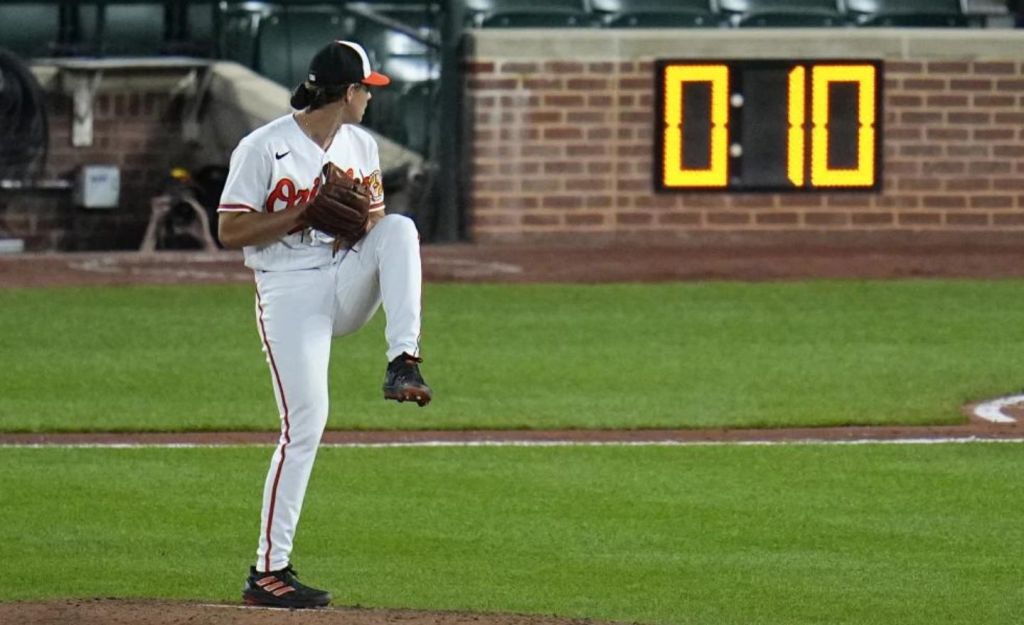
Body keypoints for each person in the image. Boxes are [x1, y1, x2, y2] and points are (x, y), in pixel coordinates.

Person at [217, 40, 433, 609]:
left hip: (342, 274)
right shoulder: (263, 147)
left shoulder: (362, 145)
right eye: (367, 88)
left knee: (401, 230)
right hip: (287, 289)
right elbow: (230, 232)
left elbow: (377, 226)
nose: (371, 97)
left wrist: (352, 224)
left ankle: (402, 358)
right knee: (306, 422)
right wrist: (301, 213)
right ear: (346, 92)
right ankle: (268, 571)